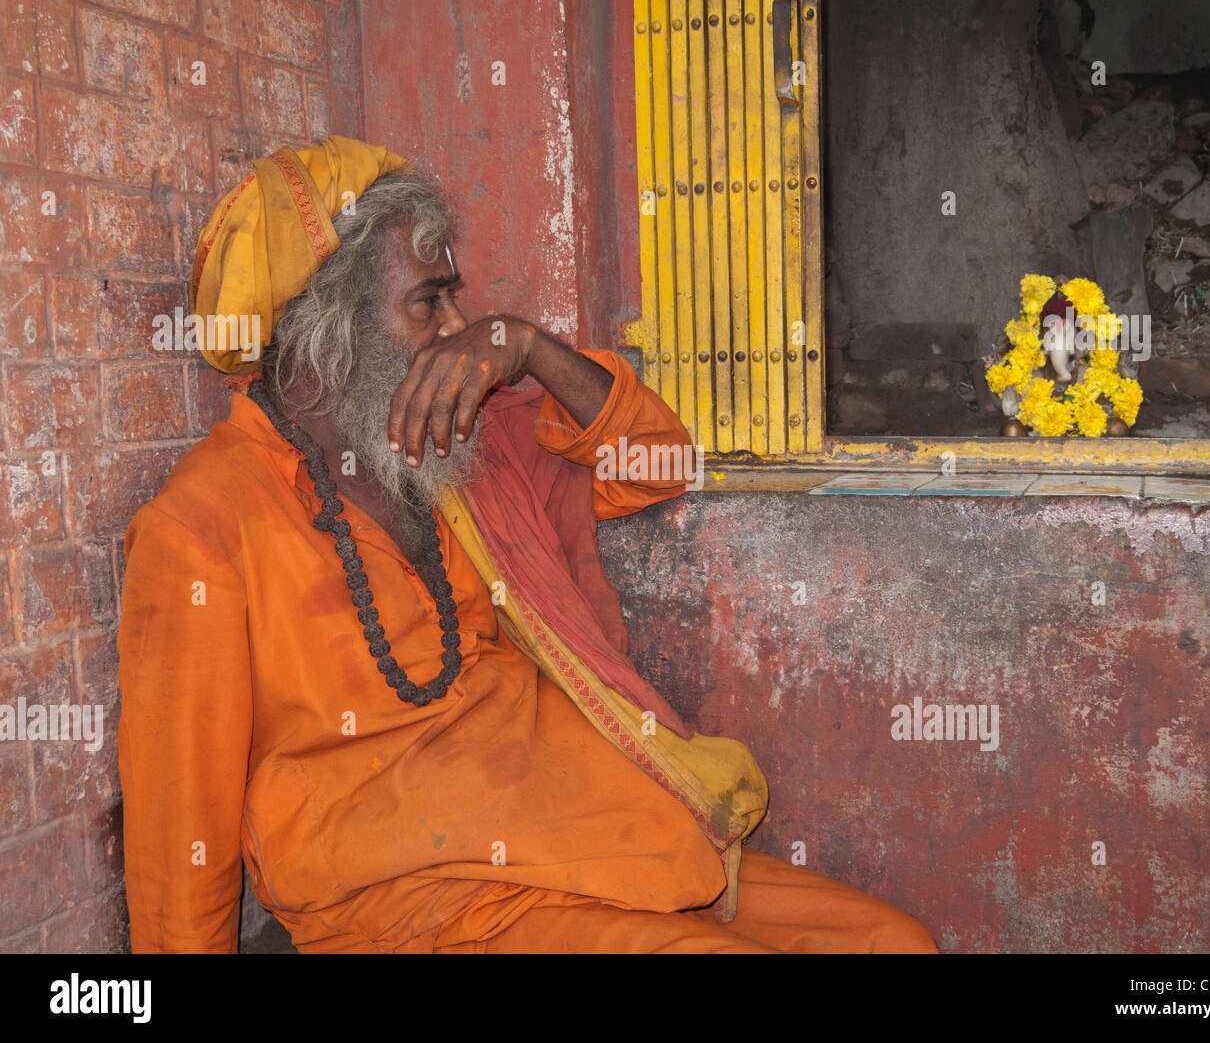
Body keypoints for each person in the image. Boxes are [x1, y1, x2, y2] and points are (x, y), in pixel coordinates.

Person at [116, 135, 938, 954]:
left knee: (893, 942)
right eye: (427, 301)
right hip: (414, 906)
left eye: (457, 299)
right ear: (328, 330)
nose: (458, 326)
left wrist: (530, 347)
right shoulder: (204, 528)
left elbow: (660, 462)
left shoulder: (465, 444)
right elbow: (176, 836)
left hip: (586, 830)